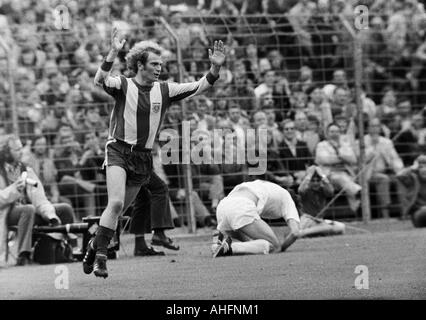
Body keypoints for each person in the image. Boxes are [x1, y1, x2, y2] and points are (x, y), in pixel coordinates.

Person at [83, 27, 226, 278]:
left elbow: (200, 86)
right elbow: (99, 80)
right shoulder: (123, 85)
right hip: (118, 149)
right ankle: (101, 259)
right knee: (115, 203)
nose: (159, 68)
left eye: (161, 63)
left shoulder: (165, 90)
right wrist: (112, 52)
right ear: (140, 65)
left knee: (117, 212)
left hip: (143, 157)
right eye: (154, 63)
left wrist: (214, 68)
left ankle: (94, 246)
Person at [0, 135, 76, 266]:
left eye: (21, 148)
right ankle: (23, 255)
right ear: (6, 152)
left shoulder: (25, 169)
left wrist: (50, 215)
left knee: (65, 209)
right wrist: (15, 189)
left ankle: (68, 249)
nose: (21, 152)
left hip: (31, 211)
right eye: (16, 149)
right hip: (6, 213)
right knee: (28, 209)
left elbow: (39, 197)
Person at [212, 180, 300, 257]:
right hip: (241, 206)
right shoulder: (288, 198)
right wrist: (281, 247)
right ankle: (230, 247)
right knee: (274, 246)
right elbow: (295, 232)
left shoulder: (269, 186)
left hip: (223, 207)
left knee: (252, 243)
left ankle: (219, 244)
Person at [298, 165, 345, 238]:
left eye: (318, 180)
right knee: (328, 227)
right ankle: (307, 232)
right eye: (313, 181)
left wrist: (323, 175)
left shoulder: (323, 190)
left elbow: (331, 191)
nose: (315, 183)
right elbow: (300, 190)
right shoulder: (306, 190)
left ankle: (306, 233)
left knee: (341, 227)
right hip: (307, 221)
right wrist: (309, 175)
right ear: (309, 181)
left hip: (320, 221)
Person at [396, 154, 426, 227]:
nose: (424, 170)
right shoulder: (413, 180)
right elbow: (399, 175)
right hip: (419, 213)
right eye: (421, 167)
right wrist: (412, 167)